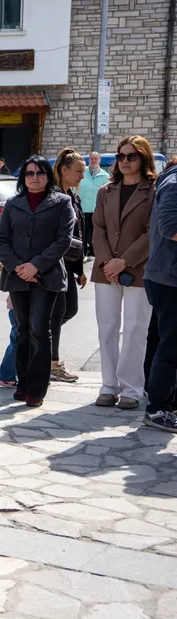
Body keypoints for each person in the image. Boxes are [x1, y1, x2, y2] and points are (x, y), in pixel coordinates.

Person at [0, 156, 75, 408]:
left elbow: (63, 240)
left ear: (48, 176)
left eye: (40, 173)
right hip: (17, 276)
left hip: (46, 277)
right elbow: (1, 240)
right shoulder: (13, 203)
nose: (34, 177)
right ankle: (23, 382)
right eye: (29, 173)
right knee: (22, 331)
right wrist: (17, 267)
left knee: (40, 330)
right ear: (23, 178)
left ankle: (37, 388)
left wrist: (36, 266)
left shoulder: (62, 202)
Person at [92, 136, 156, 411]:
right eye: (121, 156)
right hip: (105, 269)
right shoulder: (106, 191)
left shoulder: (154, 190)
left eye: (132, 156)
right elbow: (97, 230)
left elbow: (152, 233)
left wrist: (124, 262)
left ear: (144, 158)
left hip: (139, 269)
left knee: (134, 329)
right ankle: (108, 386)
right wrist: (109, 262)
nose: (126, 161)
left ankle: (131, 388)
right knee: (107, 328)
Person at [143, 155, 177, 433]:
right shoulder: (175, 184)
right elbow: (169, 227)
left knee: (164, 341)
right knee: (171, 344)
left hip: (166, 276)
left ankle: (166, 403)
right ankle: (157, 409)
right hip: (169, 279)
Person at [49, 150, 90, 384]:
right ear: (64, 171)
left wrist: (80, 269)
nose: (81, 177)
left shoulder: (72, 197)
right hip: (55, 265)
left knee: (69, 310)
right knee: (56, 315)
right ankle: (52, 363)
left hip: (69, 264)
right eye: (78, 172)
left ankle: (44, 344)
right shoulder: (54, 197)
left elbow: (78, 234)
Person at [81, 151, 111, 256]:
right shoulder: (82, 172)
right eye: (91, 159)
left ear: (99, 160)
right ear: (88, 160)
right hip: (82, 208)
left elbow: (107, 194)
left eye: (96, 159)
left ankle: (93, 253)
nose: (93, 161)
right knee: (83, 232)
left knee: (95, 232)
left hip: (96, 209)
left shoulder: (105, 176)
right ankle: (83, 253)